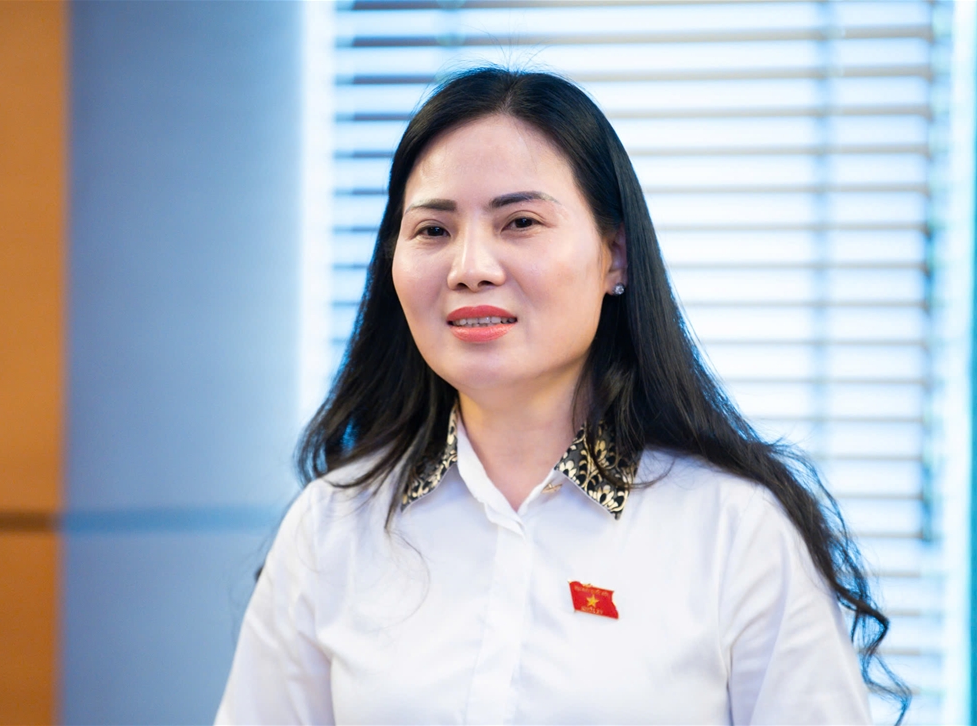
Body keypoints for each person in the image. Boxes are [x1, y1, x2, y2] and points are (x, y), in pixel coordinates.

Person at [216, 67, 908, 725]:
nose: (470, 268)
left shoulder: (736, 532)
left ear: (615, 257)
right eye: (433, 230)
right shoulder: (333, 525)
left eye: (520, 222)